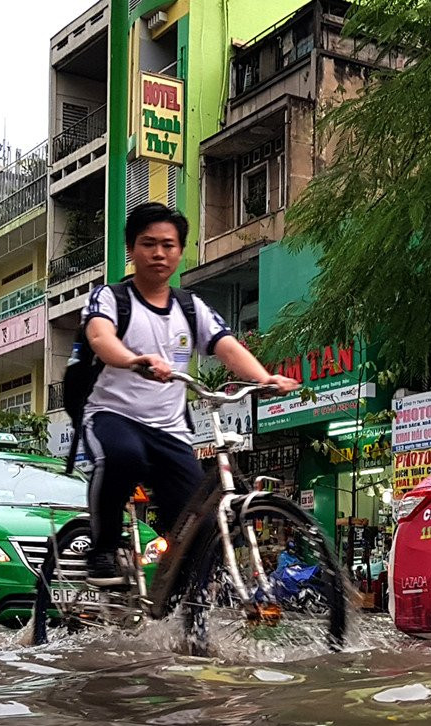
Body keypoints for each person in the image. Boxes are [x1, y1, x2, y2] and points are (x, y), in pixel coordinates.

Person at [79, 202, 299, 584]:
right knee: (123, 458)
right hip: (112, 416)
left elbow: (227, 346)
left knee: (194, 517)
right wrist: (135, 361)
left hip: (170, 430)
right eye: (148, 244)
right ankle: (102, 550)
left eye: (168, 244)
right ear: (131, 249)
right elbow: (100, 337)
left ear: (180, 251)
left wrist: (265, 378)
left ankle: (182, 605)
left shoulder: (191, 308)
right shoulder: (111, 298)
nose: (159, 253)